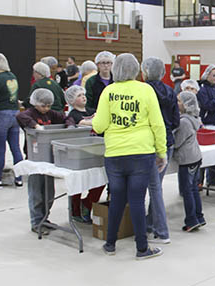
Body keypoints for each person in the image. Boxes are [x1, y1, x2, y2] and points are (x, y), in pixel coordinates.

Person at [92, 53, 166, 260]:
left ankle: (110, 244)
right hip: (141, 152)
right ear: (136, 70)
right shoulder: (145, 90)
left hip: (115, 153)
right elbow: (157, 124)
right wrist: (161, 152)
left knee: (116, 199)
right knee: (136, 200)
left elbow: (99, 126)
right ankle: (142, 248)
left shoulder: (109, 91)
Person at [141, 57, 180, 244]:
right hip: (167, 142)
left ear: (145, 72)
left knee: (154, 188)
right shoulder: (171, 91)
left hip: (149, 144)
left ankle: (161, 231)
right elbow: (176, 120)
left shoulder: (142, 91)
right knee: (156, 185)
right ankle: (149, 224)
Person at [16, 89, 66, 235]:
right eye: (43, 106)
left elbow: (64, 118)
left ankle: (45, 218)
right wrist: (35, 126)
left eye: (49, 106)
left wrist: (69, 125)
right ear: (36, 103)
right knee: (36, 192)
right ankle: (36, 221)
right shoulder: (30, 113)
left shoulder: (50, 114)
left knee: (49, 192)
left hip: (49, 160)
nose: (46, 109)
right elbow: (20, 116)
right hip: (35, 160)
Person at [64, 85, 104, 224]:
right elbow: (87, 123)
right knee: (79, 182)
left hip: (97, 150)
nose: (83, 97)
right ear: (72, 100)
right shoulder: (73, 115)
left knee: (101, 180)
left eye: (83, 94)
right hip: (81, 152)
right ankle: (75, 210)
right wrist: (97, 120)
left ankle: (87, 204)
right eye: (79, 95)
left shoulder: (92, 110)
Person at [0, 52, 24, 188]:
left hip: (1, 114)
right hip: (14, 113)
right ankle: (19, 178)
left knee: (0, 149)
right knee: (15, 148)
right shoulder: (13, 77)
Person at [174, 91, 205, 232]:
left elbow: (177, 142)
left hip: (187, 159)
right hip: (195, 157)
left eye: (179, 101)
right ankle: (199, 216)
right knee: (193, 189)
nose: (177, 103)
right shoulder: (193, 118)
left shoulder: (184, 122)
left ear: (187, 105)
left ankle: (191, 220)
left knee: (187, 191)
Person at [197, 64, 215, 186]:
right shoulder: (202, 88)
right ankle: (199, 181)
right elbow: (206, 105)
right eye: (213, 75)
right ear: (207, 74)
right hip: (207, 123)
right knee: (205, 154)